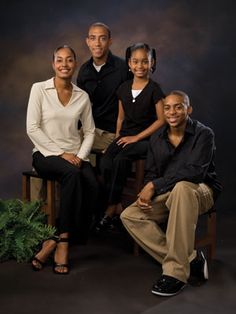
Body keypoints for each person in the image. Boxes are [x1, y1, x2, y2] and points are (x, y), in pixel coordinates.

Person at [121, 90, 222, 296]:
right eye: (167, 107)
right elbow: (151, 173)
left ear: (189, 109)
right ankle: (190, 259)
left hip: (201, 190)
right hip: (168, 191)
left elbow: (195, 172)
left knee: (182, 187)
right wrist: (148, 189)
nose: (172, 112)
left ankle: (176, 273)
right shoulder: (157, 137)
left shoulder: (204, 134)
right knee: (130, 215)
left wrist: (154, 186)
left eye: (178, 106)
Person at [26, 45, 98, 274]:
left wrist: (79, 156)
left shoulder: (82, 96)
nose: (64, 64)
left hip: (75, 156)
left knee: (95, 186)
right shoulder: (39, 89)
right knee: (73, 174)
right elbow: (32, 128)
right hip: (45, 154)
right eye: (59, 60)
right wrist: (61, 154)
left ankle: (53, 239)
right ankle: (63, 243)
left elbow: (90, 132)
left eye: (69, 60)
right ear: (53, 64)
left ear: (75, 64)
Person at [95, 43, 165, 232]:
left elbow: (161, 120)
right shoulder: (123, 88)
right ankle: (116, 204)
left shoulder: (154, 89)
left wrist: (136, 138)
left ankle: (109, 210)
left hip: (147, 140)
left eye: (145, 61)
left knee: (122, 159)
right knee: (106, 162)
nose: (140, 66)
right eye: (135, 61)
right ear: (129, 64)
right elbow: (120, 118)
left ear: (152, 63)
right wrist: (116, 141)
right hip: (125, 137)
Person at [77, 22, 130, 153]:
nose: (97, 43)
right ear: (87, 41)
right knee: (55, 145)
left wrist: (120, 138)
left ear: (110, 41)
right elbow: (80, 106)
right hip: (89, 131)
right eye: (93, 38)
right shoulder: (84, 71)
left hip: (111, 133)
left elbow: (132, 107)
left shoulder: (123, 68)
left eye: (103, 38)